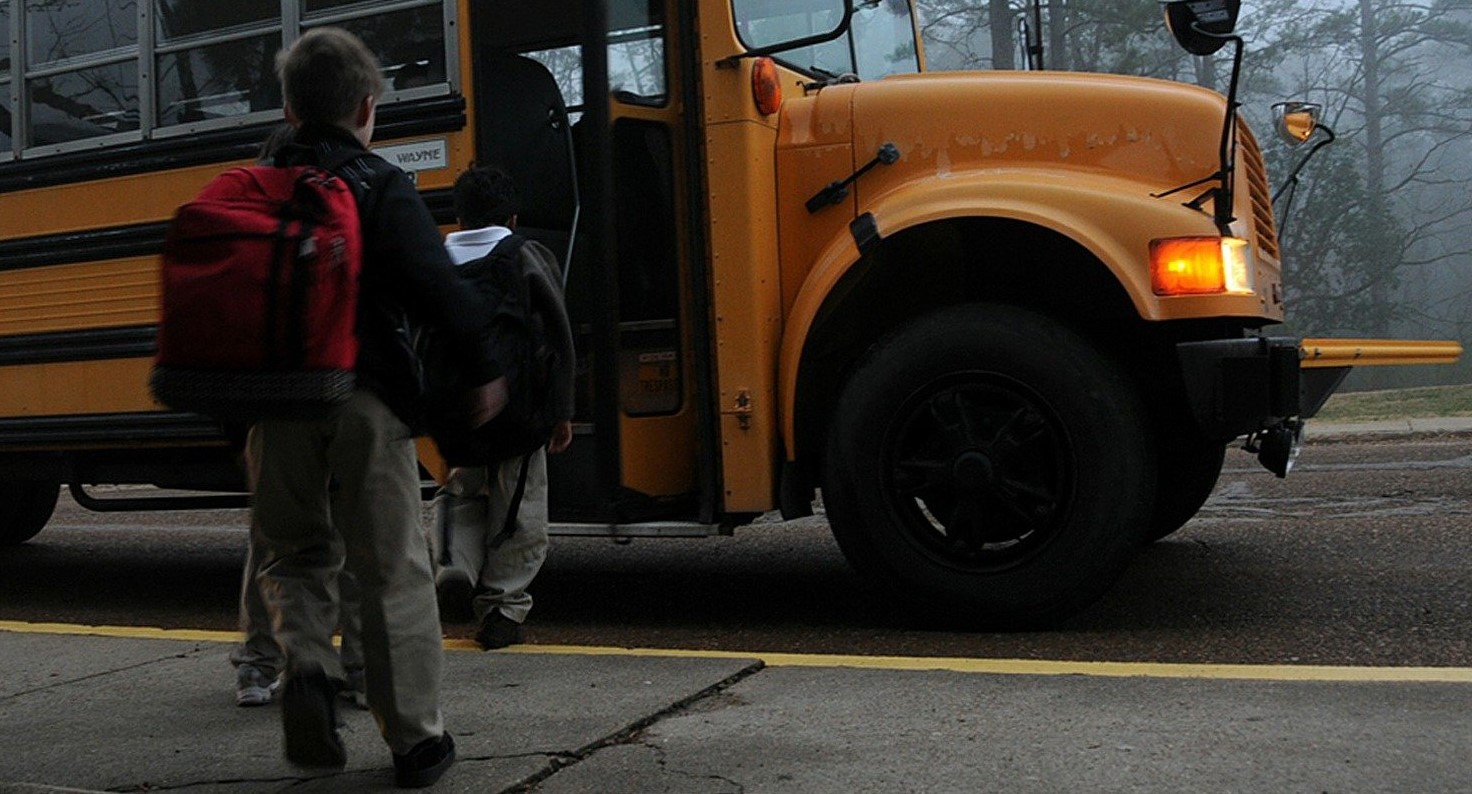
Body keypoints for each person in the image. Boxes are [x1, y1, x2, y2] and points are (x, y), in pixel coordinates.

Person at [250, 27, 507, 787]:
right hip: (364, 399)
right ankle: (416, 741)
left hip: (273, 407)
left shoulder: (256, 186)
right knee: (392, 569)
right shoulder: (378, 183)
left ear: (289, 109)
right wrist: (482, 372)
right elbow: (438, 288)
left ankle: (305, 665)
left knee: (294, 555)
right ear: (366, 107)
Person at [231, 123, 366, 712]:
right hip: (346, 392)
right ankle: (359, 670)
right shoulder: (351, 199)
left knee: (277, 544)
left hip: (272, 405)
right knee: (357, 539)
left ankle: (260, 663)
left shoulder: (242, 216)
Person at [430, 165, 575, 650]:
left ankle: (454, 564)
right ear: (512, 217)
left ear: (459, 216)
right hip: (519, 411)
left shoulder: (436, 259)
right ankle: (503, 609)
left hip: (457, 412)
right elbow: (558, 334)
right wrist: (561, 410)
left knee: (461, 491)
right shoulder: (527, 255)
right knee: (519, 505)